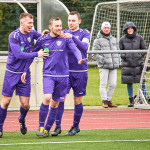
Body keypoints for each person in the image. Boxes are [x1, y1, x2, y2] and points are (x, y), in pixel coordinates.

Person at [22, 17, 87, 138]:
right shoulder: (43, 39)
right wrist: (25, 69)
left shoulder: (66, 38)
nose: (59, 28)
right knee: (47, 98)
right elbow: (32, 54)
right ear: (50, 27)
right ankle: (41, 126)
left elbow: (75, 49)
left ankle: (47, 129)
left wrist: (79, 59)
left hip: (63, 76)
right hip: (48, 75)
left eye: (61, 26)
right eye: (57, 26)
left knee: (55, 104)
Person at [0, 13, 49, 138]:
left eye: (32, 23)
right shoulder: (14, 36)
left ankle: (21, 119)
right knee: (6, 101)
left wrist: (45, 34)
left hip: (25, 74)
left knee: (25, 104)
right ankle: (0, 127)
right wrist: (36, 54)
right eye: (29, 23)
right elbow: (18, 55)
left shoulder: (32, 32)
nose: (31, 26)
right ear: (22, 23)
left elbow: (43, 38)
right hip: (11, 73)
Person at [51, 11, 91, 136]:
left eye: (73, 20)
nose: (71, 23)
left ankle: (75, 126)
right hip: (65, 72)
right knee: (60, 99)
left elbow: (84, 47)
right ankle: (57, 126)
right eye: (69, 20)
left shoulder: (85, 33)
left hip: (80, 72)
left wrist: (72, 37)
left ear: (79, 21)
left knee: (77, 100)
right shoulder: (62, 33)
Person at [92, 21, 120, 108]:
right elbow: (94, 54)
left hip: (113, 66)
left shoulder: (114, 39)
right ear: (102, 28)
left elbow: (118, 51)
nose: (106, 29)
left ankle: (108, 100)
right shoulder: (97, 40)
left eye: (108, 28)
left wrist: (118, 60)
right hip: (103, 66)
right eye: (105, 28)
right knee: (103, 83)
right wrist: (103, 60)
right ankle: (104, 100)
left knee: (113, 84)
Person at [119, 22, 147, 107]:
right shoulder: (122, 40)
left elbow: (144, 49)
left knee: (142, 82)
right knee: (129, 82)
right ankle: (131, 100)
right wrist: (126, 57)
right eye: (128, 29)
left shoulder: (139, 38)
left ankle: (147, 97)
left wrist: (138, 56)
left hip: (138, 64)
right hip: (127, 65)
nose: (130, 30)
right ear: (126, 30)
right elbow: (119, 51)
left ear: (134, 29)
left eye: (131, 28)